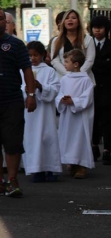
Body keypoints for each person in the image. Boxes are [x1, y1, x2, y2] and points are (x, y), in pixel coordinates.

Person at [0, 8, 35, 198]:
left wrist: (31, 94)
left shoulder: (16, 44)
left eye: (1, 19)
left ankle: (12, 180)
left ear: (7, 23)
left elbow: (27, 70)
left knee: (12, 143)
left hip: (12, 100)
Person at [22, 41, 61, 182]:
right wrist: (26, 90)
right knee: (32, 139)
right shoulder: (23, 70)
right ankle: (36, 169)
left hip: (45, 112)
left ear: (43, 55)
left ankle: (51, 168)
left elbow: (55, 88)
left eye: (36, 55)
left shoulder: (49, 71)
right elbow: (19, 87)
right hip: (30, 113)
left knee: (47, 138)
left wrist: (41, 87)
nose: (33, 58)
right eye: (30, 55)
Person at [56, 49, 95, 179]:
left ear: (76, 64)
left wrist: (74, 101)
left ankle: (82, 165)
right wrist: (62, 99)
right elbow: (59, 93)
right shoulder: (65, 79)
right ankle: (71, 163)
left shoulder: (85, 80)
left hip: (80, 117)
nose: (64, 64)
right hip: (67, 115)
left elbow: (87, 98)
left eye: (67, 62)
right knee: (68, 137)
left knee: (80, 138)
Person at [50, 9, 96, 84]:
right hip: (63, 79)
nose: (70, 20)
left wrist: (78, 73)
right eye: (67, 18)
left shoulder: (88, 39)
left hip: (83, 79)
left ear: (78, 22)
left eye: (73, 18)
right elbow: (55, 61)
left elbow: (89, 60)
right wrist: (67, 74)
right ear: (63, 22)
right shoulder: (56, 41)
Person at [90, 15, 111, 164]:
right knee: (93, 119)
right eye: (95, 27)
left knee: (108, 120)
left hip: (108, 88)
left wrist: (97, 64)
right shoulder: (88, 45)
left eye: (101, 27)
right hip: (92, 88)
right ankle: (94, 146)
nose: (97, 30)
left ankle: (108, 149)